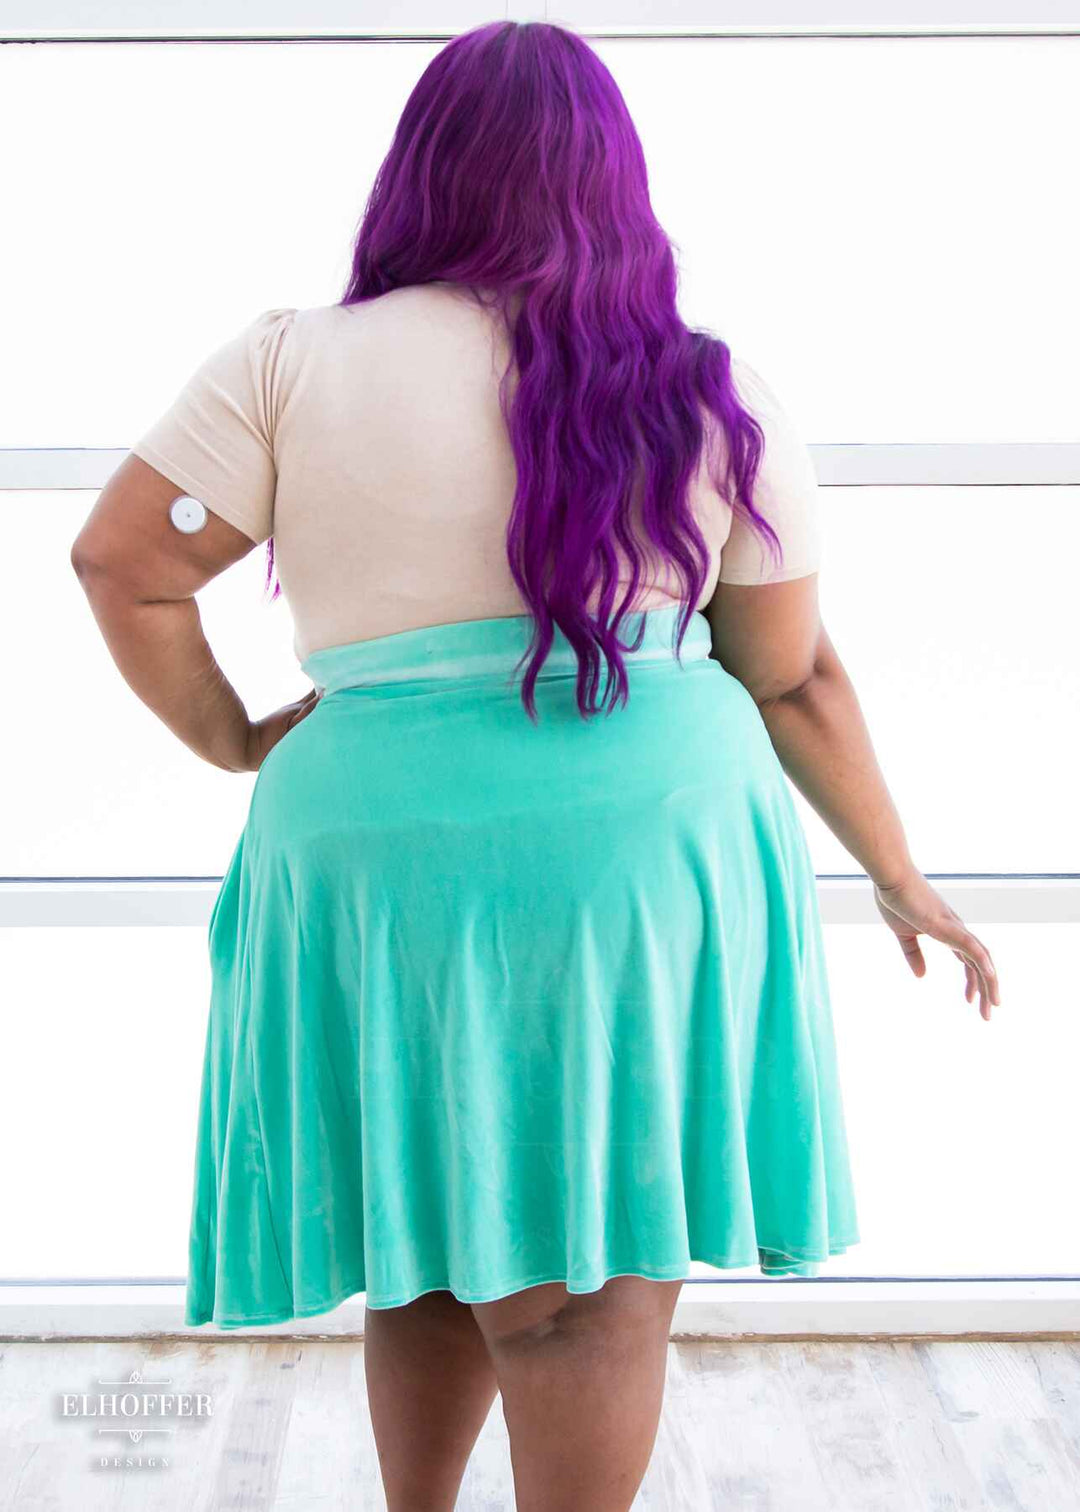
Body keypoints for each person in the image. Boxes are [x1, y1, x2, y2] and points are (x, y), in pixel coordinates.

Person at [69, 19, 1000, 1512]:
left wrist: (236, 739)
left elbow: (124, 564)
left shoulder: (290, 362)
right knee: (590, 1288)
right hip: (645, 853)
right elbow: (790, 673)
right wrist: (899, 875)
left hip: (371, 842)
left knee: (430, 1232)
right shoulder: (705, 387)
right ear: (613, 181)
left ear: (421, 170)